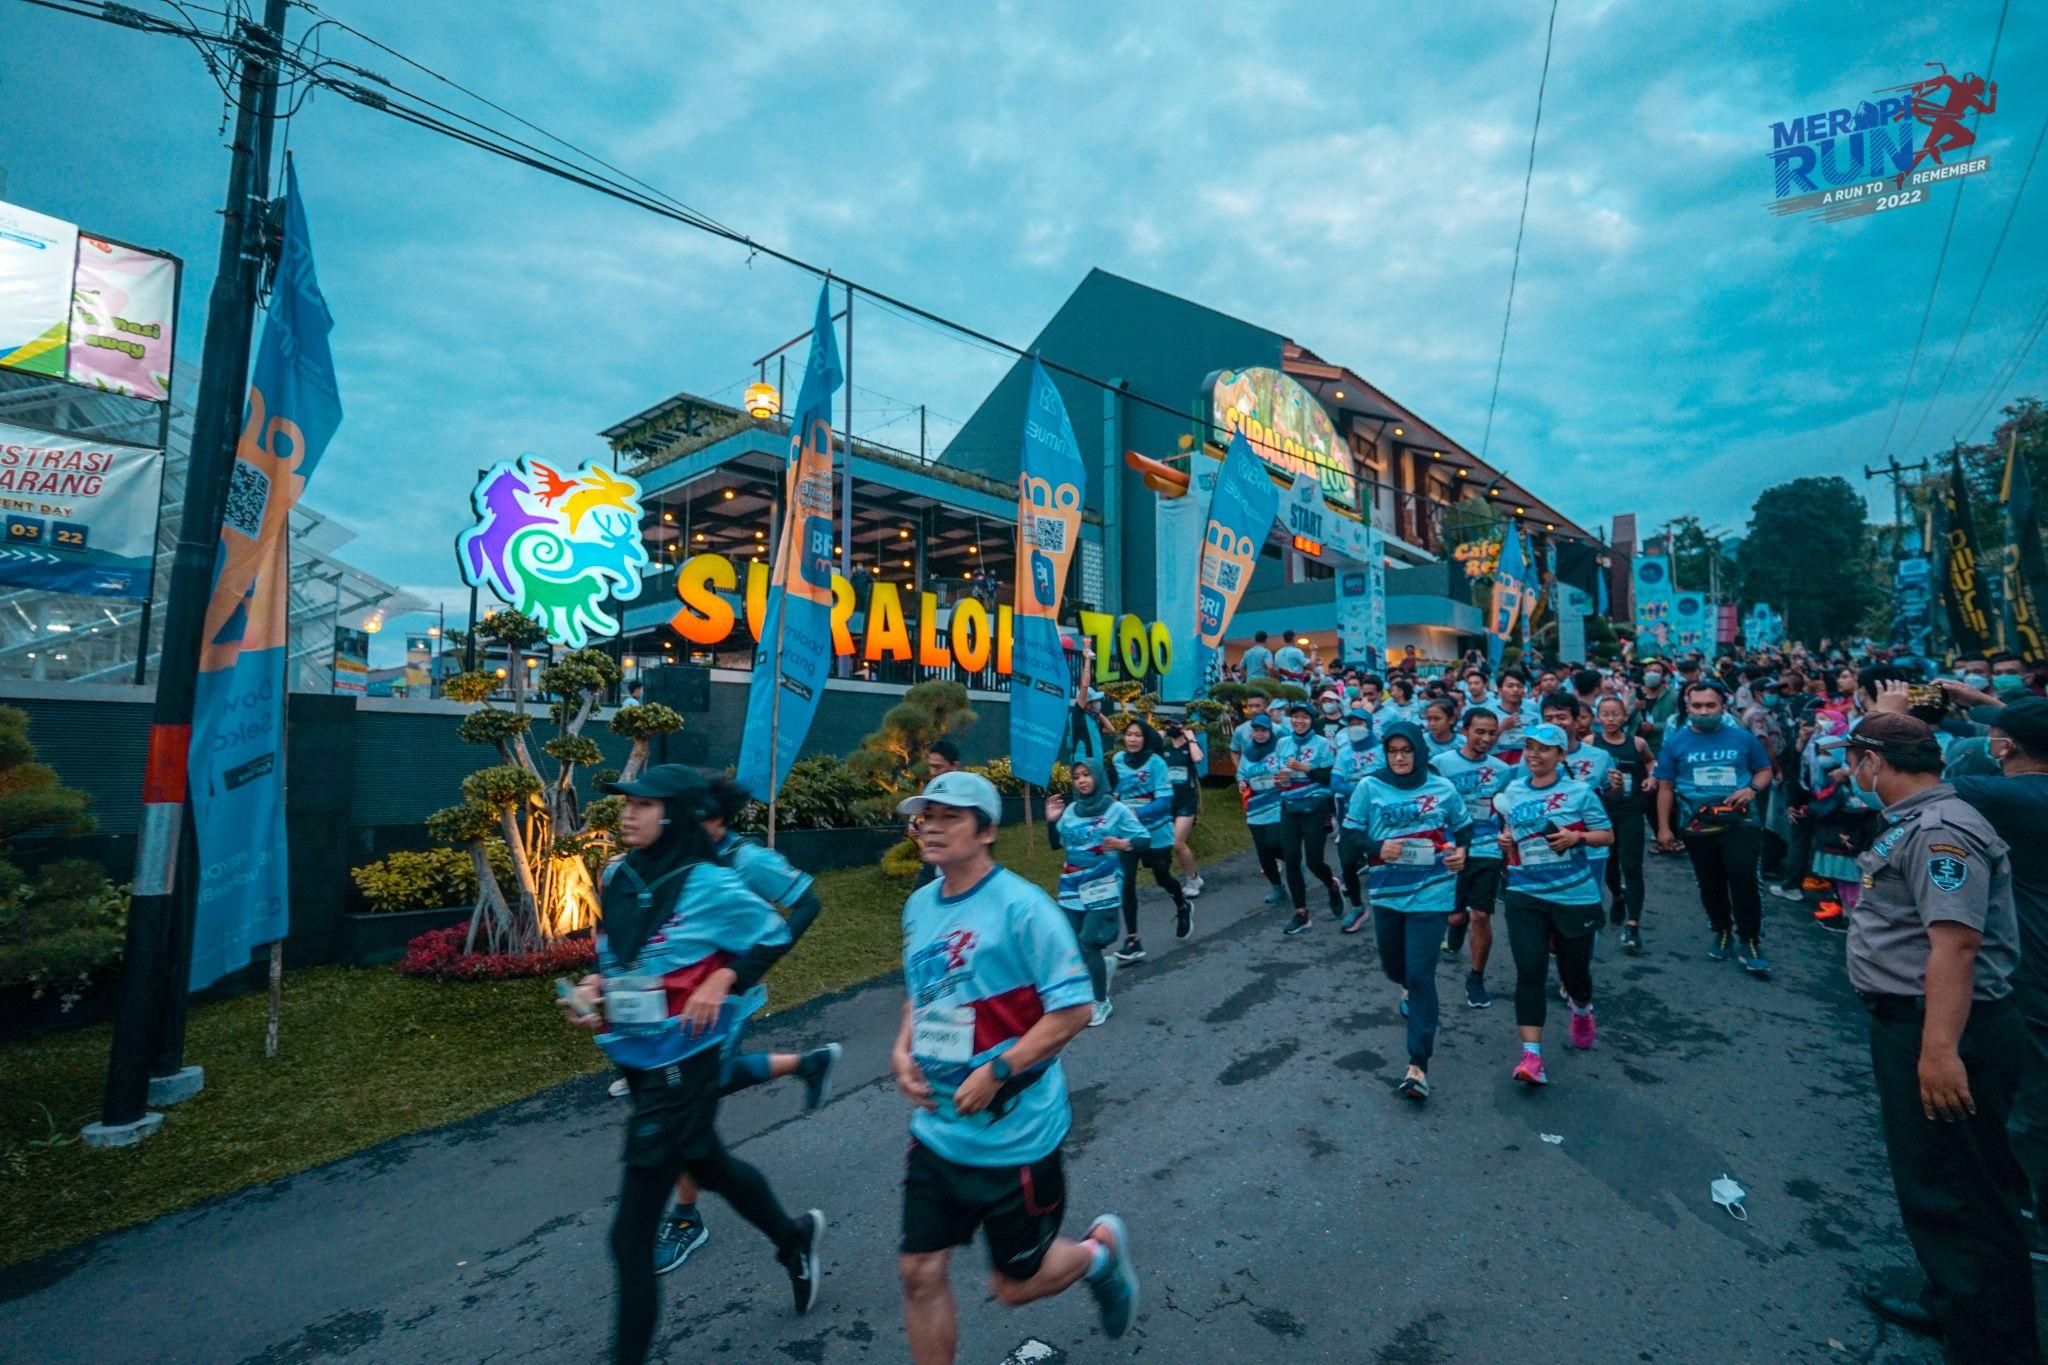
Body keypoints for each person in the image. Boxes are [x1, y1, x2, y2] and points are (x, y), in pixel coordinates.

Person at [561, 765, 824, 1365]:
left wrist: (726, 977)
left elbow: (774, 931)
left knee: (628, 1240)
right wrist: (594, 988)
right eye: (627, 803)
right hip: (636, 1054)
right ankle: (794, 1240)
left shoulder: (711, 883)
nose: (628, 813)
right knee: (708, 1162)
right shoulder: (617, 874)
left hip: (687, 1059)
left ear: (674, 813)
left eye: (643, 804)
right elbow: (615, 952)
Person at [892, 771, 1140, 1363]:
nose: (931, 827)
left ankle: (1100, 1256)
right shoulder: (919, 904)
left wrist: (998, 1070)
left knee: (1013, 1286)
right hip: (939, 1128)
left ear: (986, 831)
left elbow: (1074, 1009)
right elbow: (922, 990)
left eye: (949, 817)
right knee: (919, 1271)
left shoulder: (1025, 909)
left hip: (1016, 1136)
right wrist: (902, 1049)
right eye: (926, 817)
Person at [1827, 716, 2038, 1361]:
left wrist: (1940, 1050)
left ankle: (1991, 1344)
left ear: (1873, 762)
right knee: (1938, 1178)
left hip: (1945, 1029)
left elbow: (1957, 944)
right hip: (1918, 1023)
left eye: (1853, 762)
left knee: (1959, 1190)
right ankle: (1955, 1301)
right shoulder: (1915, 821)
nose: (1849, 774)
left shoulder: (1942, 831)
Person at [653, 776, 845, 1276]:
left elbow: (808, 902)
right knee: (699, 1090)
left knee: (686, 1110)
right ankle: (808, 1064)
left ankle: (686, 1218)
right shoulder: (679, 856)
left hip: (726, 1004)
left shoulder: (748, 861)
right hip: (676, 1005)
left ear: (716, 820)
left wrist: (747, 966)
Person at [1917, 694, 2048, 1255]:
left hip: (2032, 970)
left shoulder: (2004, 795)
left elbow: (1911, 786)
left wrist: (1897, 716)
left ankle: (2027, 1219)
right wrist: (1986, 706)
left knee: (2028, 1104)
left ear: (2006, 747)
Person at [1342, 722, 1472, 1099]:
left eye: (1406, 750)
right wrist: (1377, 847)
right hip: (1388, 893)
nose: (1399, 758)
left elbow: (1464, 828)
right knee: (1395, 968)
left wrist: (1461, 852)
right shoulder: (1370, 787)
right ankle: (1404, 987)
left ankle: (1418, 1066)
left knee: (1421, 975)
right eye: (1392, 751)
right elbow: (1350, 835)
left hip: (1432, 893)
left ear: (1419, 751)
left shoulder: (1442, 788)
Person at [1493, 724, 1615, 1085]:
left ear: (1561, 755)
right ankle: (1532, 1056)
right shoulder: (1513, 791)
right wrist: (1506, 842)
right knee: (1529, 970)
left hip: (1574, 895)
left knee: (1574, 974)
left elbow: (1607, 835)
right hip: (1525, 893)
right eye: (1530, 747)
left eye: (1544, 749)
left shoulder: (1580, 792)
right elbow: (1511, 836)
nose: (1534, 755)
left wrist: (1576, 837)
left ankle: (1582, 1008)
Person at [1655, 681, 1775, 977]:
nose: (1704, 711)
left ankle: (1750, 940)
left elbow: (1765, 770)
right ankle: (1722, 930)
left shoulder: (1743, 739)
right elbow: (1665, 787)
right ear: (1687, 707)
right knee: (1710, 882)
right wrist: (1663, 829)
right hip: (1697, 825)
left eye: (1711, 706)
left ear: (1723, 706)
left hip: (1741, 822)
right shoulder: (1675, 743)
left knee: (1743, 877)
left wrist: (1751, 789)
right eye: (1697, 706)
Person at [1044, 759, 1145, 1026]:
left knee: (1088, 942)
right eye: (1077, 776)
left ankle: (1101, 1001)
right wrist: (1052, 821)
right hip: (1071, 885)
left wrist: (1122, 843)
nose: (1081, 780)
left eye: (1086, 775)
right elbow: (1057, 844)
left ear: (1098, 777)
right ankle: (1101, 967)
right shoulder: (1071, 811)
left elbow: (1143, 838)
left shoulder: (1116, 809)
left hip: (1102, 885)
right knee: (1070, 943)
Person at [1432, 708, 1517, 1009]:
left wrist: (1507, 837)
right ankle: (1456, 924)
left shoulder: (1501, 770)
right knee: (1455, 916)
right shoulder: (1441, 764)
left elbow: (1507, 810)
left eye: (1492, 733)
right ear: (1464, 731)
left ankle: (1476, 977)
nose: (1486, 738)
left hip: (1486, 848)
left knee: (1481, 915)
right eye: (1479, 731)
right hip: (1451, 847)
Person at [1109, 721, 1193, 961]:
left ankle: (1182, 905)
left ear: (1146, 738)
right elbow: (1115, 791)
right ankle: (1133, 940)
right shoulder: (1117, 760)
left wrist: (1137, 814)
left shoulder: (1157, 763)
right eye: (1129, 734)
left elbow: (1164, 802)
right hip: (1128, 835)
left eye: (1138, 735)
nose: (1132, 739)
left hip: (1156, 833)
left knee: (1162, 878)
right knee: (1126, 883)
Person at [1275, 701, 1345, 935]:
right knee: (1292, 860)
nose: (1299, 721)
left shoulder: (1323, 745)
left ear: (1312, 720)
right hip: (1289, 807)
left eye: (1305, 717)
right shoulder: (1283, 743)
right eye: (1295, 716)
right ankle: (1301, 914)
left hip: (1315, 807)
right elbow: (1278, 775)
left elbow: (1329, 778)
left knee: (1314, 861)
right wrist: (1279, 779)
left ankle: (1331, 884)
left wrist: (1305, 768)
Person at [1591, 694, 1654, 951]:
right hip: (1601, 813)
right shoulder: (1591, 743)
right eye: (1605, 714)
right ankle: (1617, 895)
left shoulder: (1637, 743)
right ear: (1598, 718)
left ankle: (1633, 924)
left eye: (1615, 714)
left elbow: (1651, 761)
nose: (1610, 719)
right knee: (1609, 864)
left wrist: (1651, 777)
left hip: (1630, 811)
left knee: (1632, 865)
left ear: (1625, 717)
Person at [1331, 706, 1383, 924]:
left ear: (1369, 726)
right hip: (1351, 815)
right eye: (1351, 724)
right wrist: (1360, 791)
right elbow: (1335, 783)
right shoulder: (1344, 753)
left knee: (1382, 861)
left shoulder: (1383, 751)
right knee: (1347, 862)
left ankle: (1388, 907)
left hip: (1379, 816)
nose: (1354, 728)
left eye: (1359, 723)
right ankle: (1357, 907)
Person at [1236, 712, 1291, 907]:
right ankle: (1278, 888)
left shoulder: (1279, 749)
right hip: (1255, 807)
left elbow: (1287, 771)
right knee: (1263, 851)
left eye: (1264, 731)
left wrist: (1282, 779)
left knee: (1274, 842)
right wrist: (1242, 783)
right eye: (1257, 731)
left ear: (1270, 731)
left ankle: (1294, 860)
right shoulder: (1248, 753)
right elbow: (1241, 775)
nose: (1260, 734)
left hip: (1276, 803)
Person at [1161, 719, 1205, 896]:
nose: (1171, 727)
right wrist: (1159, 736)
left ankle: (1192, 879)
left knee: (1178, 843)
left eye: (1175, 724)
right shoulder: (1164, 747)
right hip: (1167, 801)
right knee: (1167, 845)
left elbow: (1198, 758)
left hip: (1186, 801)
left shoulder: (1190, 746)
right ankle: (1192, 876)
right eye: (1168, 724)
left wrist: (1191, 738)